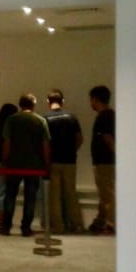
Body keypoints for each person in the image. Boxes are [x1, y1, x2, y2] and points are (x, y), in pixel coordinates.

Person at [0, 93, 51, 237]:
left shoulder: (12, 119)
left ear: (20, 104)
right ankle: (26, 228)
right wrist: (46, 163)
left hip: (14, 163)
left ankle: (6, 226)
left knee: (10, 195)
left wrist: (4, 161)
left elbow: (7, 142)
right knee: (30, 197)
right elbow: (45, 144)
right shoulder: (40, 121)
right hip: (34, 165)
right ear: (33, 104)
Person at [44, 89, 84, 234]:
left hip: (54, 161)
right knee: (71, 193)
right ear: (62, 101)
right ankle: (77, 224)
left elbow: (45, 143)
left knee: (54, 196)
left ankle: (58, 225)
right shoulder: (72, 117)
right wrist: (72, 151)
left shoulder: (45, 118)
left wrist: (46, 160)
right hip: (70, 161)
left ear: (48, 102)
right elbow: (79, 139)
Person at [88, 85, 115, 235]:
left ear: (95, 99)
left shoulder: (104, 116)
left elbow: (108, 138)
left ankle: (111, 224)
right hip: (106, 160)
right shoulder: (111, 115)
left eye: (91, 100)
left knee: (107, 194)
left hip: (104, 161)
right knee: (104, 193)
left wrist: (115, 153)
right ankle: (100, 221)